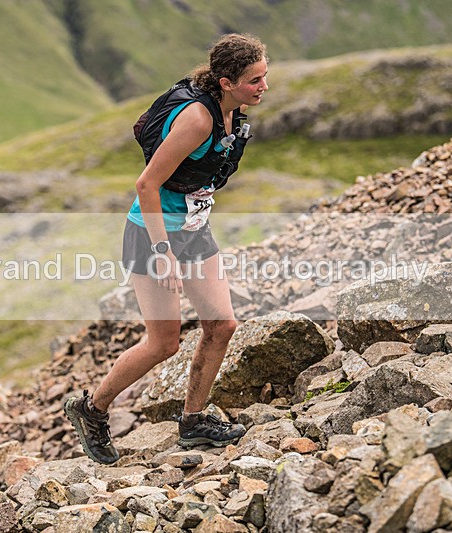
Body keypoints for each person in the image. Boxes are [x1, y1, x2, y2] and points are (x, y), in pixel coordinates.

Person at [65, 33, 269, 465]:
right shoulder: (197, 119)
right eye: (255, 80)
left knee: (222, 324)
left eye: (265, 77)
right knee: (163, 343)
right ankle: (91, 409)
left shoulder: (234, 111)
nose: (263, 87)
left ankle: (193, 422)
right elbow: (147, 185)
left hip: (194, 228)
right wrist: (163, 250)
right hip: (152, 233)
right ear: (227, 81)